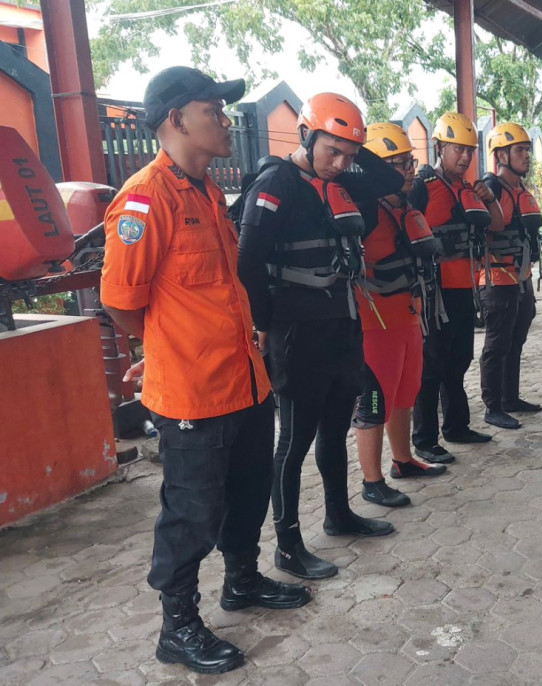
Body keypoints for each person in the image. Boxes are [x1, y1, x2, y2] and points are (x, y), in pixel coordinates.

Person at [100, 66, 310, 675]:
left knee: (246, 491)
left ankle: (241, 580)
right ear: (175, 120)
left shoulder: (209, 193)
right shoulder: (145, 198)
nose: (224, 119)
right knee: (191, 511)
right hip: (191, 392)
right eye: (212, 109)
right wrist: (164, 345)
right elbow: (120, 298)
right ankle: (178, 625)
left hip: (244, 378)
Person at [236, 93, 402, 580]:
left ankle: (339, 514)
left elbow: (389, 180)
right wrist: (263, 325)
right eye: (332, 150)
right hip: (295, 332)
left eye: (350, 154)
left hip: (340, 326)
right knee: (294, 440)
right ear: (306, 136)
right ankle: (287, 546)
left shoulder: (343, 184)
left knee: (334, 428)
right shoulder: (277, 182)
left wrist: (353, 140)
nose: (342, 162)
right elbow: (248, 261)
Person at [351, 122, 448, 508]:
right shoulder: (365, 210)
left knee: (405, 393)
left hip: (408, 315)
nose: (407, 170)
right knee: (375, 400)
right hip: (374, 322)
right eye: (396, 163)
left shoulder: (406, 206)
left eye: (408, 161)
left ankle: (403, 461)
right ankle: (371, 482)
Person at [409, 112, 504, 462]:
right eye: (457, 149)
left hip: (465, 288)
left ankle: (457, 426)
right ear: (439, 147)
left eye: (469, 150)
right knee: (431, 365)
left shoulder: (469, 188)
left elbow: (496, 224)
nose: (464, 157)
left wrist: (489, 197)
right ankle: (424, 439)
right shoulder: (421, 186)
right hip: (434, 293)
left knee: (459, 359)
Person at [479, 122, 542, 430]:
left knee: (516, 339)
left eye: (527, 151)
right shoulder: (489, 190)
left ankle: (510, 398)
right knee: (497, 344)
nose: (526, 157)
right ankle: (493, 407)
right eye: (520, 151)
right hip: (497, 280)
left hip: (522, 278)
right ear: (500, 155)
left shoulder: (520, 190)